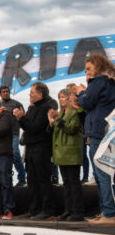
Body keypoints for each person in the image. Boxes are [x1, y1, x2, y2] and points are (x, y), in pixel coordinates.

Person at [73, 54, 115, 226]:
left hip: (99, 132)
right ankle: (105, 210)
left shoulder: (99, 81)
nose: (87, 72)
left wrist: (80, 92)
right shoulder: (110, 82)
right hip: (105, 131)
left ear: (98, 66)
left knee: (102, 174)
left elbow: (88, 101)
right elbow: (96, 107)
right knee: (104, 174)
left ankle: (109, 213)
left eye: (89, 68)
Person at [13, 82, 55, 220]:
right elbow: (27, 127)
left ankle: (47, 209)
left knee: (43, 179)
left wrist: (21, 118)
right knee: (31, 180)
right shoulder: (32, 108)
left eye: (32, 92)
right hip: (30, 147)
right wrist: (21, 119)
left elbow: (36, 127)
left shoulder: (46, 107)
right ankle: (33, 209)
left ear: (40, 94)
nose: (29, 95)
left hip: (41, 147)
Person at [48, 89, 84, 221]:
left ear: (70, 98)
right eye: (59, 97)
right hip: (61, 153)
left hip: (71, 152)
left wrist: (58, 120)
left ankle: (78, 211)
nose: (61, 99)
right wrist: (52, 121)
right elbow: (57, 130)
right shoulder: (62, 113)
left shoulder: (76, 112)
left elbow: (72, 129)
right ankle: (68, 210)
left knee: (74, 183)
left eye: (63, 97)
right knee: (67, 184)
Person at [0, 86, 26, 187]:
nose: (6, 93)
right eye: (3, 92)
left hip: (13, 133)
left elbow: (23, 117)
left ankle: (22, 178)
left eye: (7, 91)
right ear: (0, 94)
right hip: (2, 135)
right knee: (4, 157)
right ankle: (7, 179)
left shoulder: (16, 103)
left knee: (15, 154)